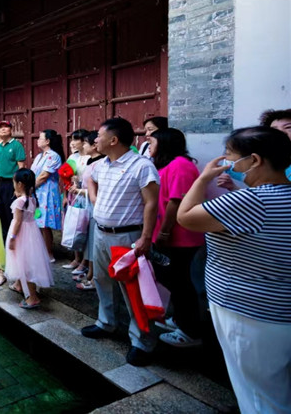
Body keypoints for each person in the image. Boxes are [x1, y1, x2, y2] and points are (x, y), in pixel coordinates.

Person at [177, 127, 291, 414]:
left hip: (249, 312)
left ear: (254, 160)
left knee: (258, 395)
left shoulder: (251, 201)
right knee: (277, 387)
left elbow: (186, 217)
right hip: (279, 309)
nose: (225, 162)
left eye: (229, 155)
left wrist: (203, 178)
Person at [82, 117, 160, 367]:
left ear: (114, 140)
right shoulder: (101, 165)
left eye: (99, 136)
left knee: (133, 289)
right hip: (101, 232)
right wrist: (95, 200)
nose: (95, 140)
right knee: (102, 280)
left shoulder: (141, 166)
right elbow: (91, 180)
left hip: (127, 237)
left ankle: (142, 342)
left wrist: (146, 237)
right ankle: (106, 323)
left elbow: (151, 203)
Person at [148, 128, 205, 348]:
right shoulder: (170, 164)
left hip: (179, 236)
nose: (149, 146)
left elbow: (176, 201)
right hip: (169, 234)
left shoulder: (181, 165)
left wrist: (164, 231)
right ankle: (180, 319)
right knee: (173, 280)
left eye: (152, 142)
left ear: (164, 143)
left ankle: (190, 331)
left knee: (180, 283)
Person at [6, 168, 54, 309]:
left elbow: (18, 222)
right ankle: (19, 285)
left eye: (14, 182)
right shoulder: (32, 199)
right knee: (26, 261)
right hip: (32, 232)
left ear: (20, 184)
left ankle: (32, 297)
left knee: (25, 264)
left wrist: (12, 237)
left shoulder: (20, 202)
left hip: (21, 234)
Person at [217, 108, 291, 190]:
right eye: (274, 130)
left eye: (288, 127)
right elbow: (267, 195)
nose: (281, 132)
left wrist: (205, 179)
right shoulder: (268, 164)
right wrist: (233, 187)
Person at [70, 131, 105, 290]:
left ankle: (93, 276)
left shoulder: (101, 163)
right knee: (89, 240)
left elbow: (98, 191)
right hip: (87, 204)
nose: (83, 146)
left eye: (85, 143)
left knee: (94, 241)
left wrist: (79, 191)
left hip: (94, 206)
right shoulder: (90, 161)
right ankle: (90, 273)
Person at [31, 129, 64, 263]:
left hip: (47, 192)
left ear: (48, 141)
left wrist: (30, 188)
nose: (38, 140)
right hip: (37, 191)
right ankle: (39, 251)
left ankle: (49, 253)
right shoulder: (40, 156)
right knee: (37, 222)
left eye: (40, 138)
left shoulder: (53, 156)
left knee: (45, 224)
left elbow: (44, 176)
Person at [0, 120, 27, 239]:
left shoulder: (16, 145)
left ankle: (14, 239)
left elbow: (21, 167)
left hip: (11, 183)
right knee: (0, 211)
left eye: (6, 127)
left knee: (10, 212)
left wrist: (19, 187)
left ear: (11, 130)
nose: (3, 129)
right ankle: (5, 240)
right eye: (0, 127)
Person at [63, 129, 90, 270]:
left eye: (75, 140)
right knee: (75, 225)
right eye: (72, 139)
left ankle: (85, 261)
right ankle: (76, 258)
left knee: (86, 227)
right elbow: (65, 177)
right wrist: (65, 195)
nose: (72, 143)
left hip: (86, 195)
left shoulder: (91, 158)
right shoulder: (72, 157)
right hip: (73, 195)